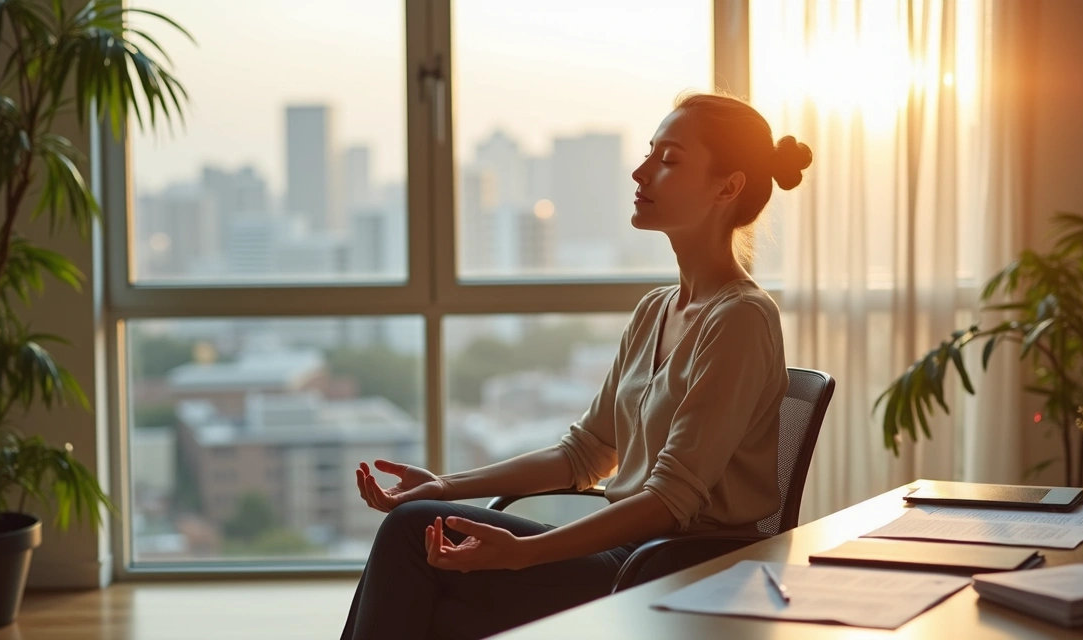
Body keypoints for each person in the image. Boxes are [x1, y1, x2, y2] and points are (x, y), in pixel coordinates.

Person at [340, 91, 813, 640]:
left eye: (669, 160)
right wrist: (446, 486)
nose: (640, 172)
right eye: (649, 152)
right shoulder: (656, 310)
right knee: (432, 577)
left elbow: (669, 500)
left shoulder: (741, 319)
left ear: (726, 187)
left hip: (676, 570)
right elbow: (586, 454)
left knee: (410, 539)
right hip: (626, 556)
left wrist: (526, 553)